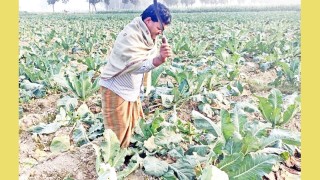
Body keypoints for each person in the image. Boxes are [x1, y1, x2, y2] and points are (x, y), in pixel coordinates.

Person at [99, 3, 172, 148]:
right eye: (159, 28)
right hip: (116, 90)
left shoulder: (146, 35)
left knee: (134, 128)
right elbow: (135, 66)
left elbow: (144, 59)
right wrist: (158, 60)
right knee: (117, 134)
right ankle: (111, 164)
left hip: (131, 91)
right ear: (148, 21)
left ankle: (126, 157)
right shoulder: (130, 35)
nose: (160, 33)